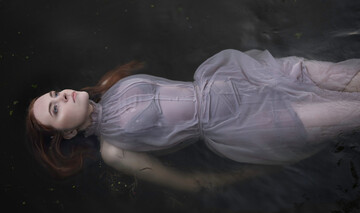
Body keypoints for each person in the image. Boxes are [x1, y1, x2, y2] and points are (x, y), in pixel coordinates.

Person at [26, 49, 360, 192]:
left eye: (54, 94)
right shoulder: (115, 151)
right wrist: (259, 169)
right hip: (249, 123)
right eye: (54, 109)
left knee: (346, 76)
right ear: (68, 132)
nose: (61, 96)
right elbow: (191, 183)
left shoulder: (109, 87)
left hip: (240, 79)